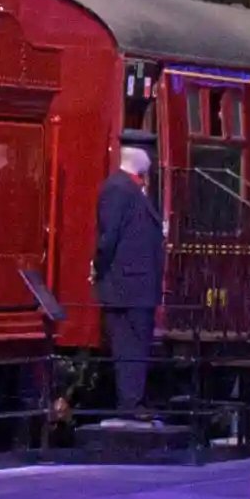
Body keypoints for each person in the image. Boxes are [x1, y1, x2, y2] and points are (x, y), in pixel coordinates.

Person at [92, 140, 167, 412]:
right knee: (129, 346)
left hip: (137, 285)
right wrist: (100, 269)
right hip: (126, 284)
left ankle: (135, 400)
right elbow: (108, 236)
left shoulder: (132, 189)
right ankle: (130, 403)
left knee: (137, 346)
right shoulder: (117, 189)